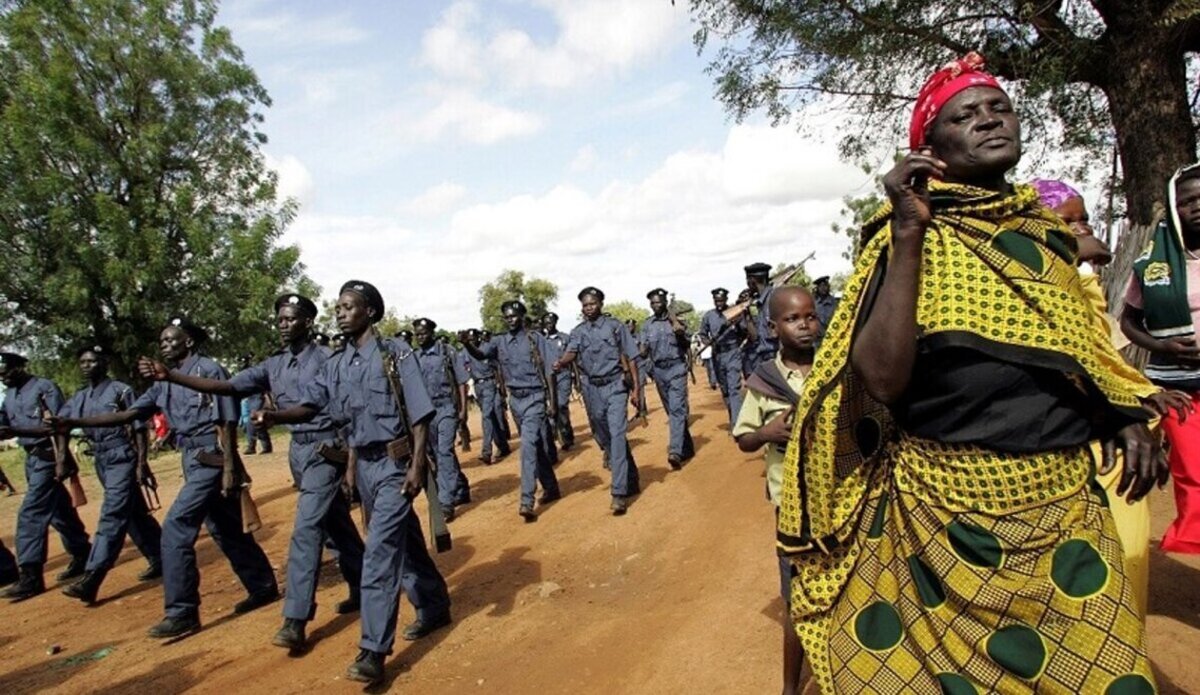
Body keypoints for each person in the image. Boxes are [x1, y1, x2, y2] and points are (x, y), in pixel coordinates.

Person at [779, 53, 1162, 692]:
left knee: (1109, 676)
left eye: (998, 108)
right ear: (929, 149)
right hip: (945, 520)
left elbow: (1076, 352)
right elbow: (881, 378)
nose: (989, 120)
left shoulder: (1044, 238)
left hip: (1066, 512)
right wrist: (907, 232)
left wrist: (1119, 415)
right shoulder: (906, 240)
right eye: (965, 115)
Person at [137, 294, 364, 651]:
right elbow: (228, 387)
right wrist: (173, 377)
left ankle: (295, 618)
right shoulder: (272, 366)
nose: (283, 324)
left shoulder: (328, 359)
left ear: (308, 321)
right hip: (299, 452)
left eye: (291, 318)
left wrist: (351, 462)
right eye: (280, 319)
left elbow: (346, 411)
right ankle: (364, 582)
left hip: (327, 449)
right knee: (335, 524)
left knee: (306, 530)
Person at [253, 280, 450, 686]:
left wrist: (416, 466)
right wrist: (275, 417)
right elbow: (312, 406)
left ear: (371, 313)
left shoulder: (395, 354)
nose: (340, 313)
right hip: (364, 467)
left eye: (349, 307)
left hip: (396, 464)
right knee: (405, 542)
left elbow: (420, 415)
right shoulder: (337, 364)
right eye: (338, 307)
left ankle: (373, 650)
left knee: (379, 554)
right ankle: (434, 605)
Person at [55, 318, 279, 638]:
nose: (164, 345)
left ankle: (182, 610)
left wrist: (231, 466)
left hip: (212, 457)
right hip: (191, 459)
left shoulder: (208, 370)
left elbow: (227, 422)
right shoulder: (162, 382)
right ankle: (262, 585)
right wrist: (73, 422)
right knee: (224, 526)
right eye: (162, 341)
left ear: (188, 342)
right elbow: (131, 415)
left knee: (175, 529)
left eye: (172, 340)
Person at [1033, 178, 1162, 616]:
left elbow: (1101, 353)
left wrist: (1140, 394)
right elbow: (1063, 355)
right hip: (1062, 436)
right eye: (1067, 220)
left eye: (1084, 217)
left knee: (1126, 552)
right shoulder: (1031, 284)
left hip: (1105, 433)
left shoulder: (1083, 277)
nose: (1083, 227)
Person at [733, 286, 817, 695]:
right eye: (792, 319)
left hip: (839, 500)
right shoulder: (764, 381)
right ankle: (790, 685)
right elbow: (744, 439)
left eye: (810, 316)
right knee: (796, 597)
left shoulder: (832, 367)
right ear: (773, 327)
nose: (804, 325)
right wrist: (768, 432)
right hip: (792, 507)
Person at [1121, 163, 1200, 555]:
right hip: (1179, 386)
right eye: (1187, 202)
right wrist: (1163, 346)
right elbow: (1129, 321)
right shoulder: (1154, 265)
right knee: (1193, 470)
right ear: (1174, 209)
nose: (1197, 207)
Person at [58, 344, 163, 604]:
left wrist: (141, 462)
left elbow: (138, 427)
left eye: (92, 361)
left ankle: (94, 575)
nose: (86, 366)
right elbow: (61, 424)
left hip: (121, 456)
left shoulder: (120, 390)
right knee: (133, 513)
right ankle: (162, 556)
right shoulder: (80, 397)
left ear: (104, 363)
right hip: (101, 458)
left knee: (113, 514)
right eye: (82, 362)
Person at [0, 351, 91, 601]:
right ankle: (82, 552)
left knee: (31, 514)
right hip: (31, 458)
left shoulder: (44, 387)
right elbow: (4, 422)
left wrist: (62, 460)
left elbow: (59, 426)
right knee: (58, 511)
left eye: (6, 370)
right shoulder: (9, 395)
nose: (3, 376)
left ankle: (30, 575)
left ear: (20, 366)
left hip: (50, 456)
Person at [464, 301, 561, 521]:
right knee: (534, 446)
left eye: (513, 316)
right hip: (515, 400)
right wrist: (468, 345)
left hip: (535, 397)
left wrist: (552, 403)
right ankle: (551, 487)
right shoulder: (499, 341)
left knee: (526, 446)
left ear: (521, 316)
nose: (510, 320)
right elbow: (480, 355)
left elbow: (550, 372)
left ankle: (527, 500)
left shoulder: (535, 340)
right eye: (506, 317)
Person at [552, 287, 642, 515]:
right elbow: (572, 352)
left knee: (618, 434)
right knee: (604, 437)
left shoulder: (615, 327)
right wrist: (561, 362)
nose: (588, 308)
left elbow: (632, 358)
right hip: (592, 389)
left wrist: (636, 391)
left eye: (592, 304)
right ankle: (630, 477)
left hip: (615, 386)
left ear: (600, 304)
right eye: (585, 305)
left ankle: (619, 492)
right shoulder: (578, 331)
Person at [412, 318, 471, 522]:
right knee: (438, 454)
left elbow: (462, 382)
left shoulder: (447, 352)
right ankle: (461, 486)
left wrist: (463, 410)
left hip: (446, 407)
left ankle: (445, 502)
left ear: (432, 333)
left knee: (445, 451)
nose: (420, 337)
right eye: (417, 334)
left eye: (423, 333)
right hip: (427, 413)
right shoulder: (415, 357)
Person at [639, 288, 695, 469]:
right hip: (659, 372)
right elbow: (643, 351)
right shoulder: (647, 325)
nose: (656, 305)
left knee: (677, 409)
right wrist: (649, 369)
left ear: (665, 303)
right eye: (653, 302)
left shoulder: (676, 321)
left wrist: (678, 332)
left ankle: (675, 452)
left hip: (677, 368)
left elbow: (687, 345)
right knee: (671, 410)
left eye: (659, 302)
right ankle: (687, 447)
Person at [459, 328, 512, 464]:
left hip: (490, 383)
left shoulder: (487, 348)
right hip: (477, 387)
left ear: (479, 337)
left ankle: (486, 451)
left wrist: (502, 387)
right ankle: (503, 446)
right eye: (469, 340)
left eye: (474, 338)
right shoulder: (465, 352)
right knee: (492, 417)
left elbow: (497, 368)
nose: (472, 341)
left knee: (487, 416)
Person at [699, 287, 746, 426]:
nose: (719, 303)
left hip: (733, 353)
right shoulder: (709, 316)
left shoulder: (735, 312)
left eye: (721, 300)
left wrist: (736, 325)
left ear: (726, 299)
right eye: (716, 300)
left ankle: (737, 425)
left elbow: (743, 331)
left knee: (734, 389)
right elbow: (702, 333)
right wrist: (708, 343)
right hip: (717, 355)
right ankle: (734, 417)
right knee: (725, 391)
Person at [541, 313, 576, 450]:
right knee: (552, 407)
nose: (549, 325)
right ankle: (559, 435)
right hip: (549, 378)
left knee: (561, 405)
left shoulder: (565, 338)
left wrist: (577, 379)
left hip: (564, 375)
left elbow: (573, 359)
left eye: (551, 322)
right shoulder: (541, 341)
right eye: (546, 323)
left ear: (556, 322)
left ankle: (567, 434)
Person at [742, 262, 776, 374]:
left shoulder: (774, 298)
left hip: (776, 355)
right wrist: (747, 316)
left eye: (748, 281)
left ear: (752, 281)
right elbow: (755, 337)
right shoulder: (756, 303)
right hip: (762, 356)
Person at [811, 276, 839, 342]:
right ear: (817, 288)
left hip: (832, 338)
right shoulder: (813, 302)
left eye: (825, 285)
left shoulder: (834, 303)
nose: (824, 288)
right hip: (817, 340)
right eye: (821, 286)